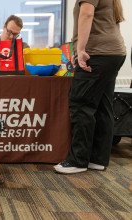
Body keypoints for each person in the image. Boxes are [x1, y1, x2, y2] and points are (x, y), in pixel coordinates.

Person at [54, 0, 126, 174]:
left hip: (96, 53)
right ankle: (97, 159)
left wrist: (80, 49)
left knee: (81, 104)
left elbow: (87, 14)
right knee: (103, 105)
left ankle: (77, 161)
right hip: (113, 53)